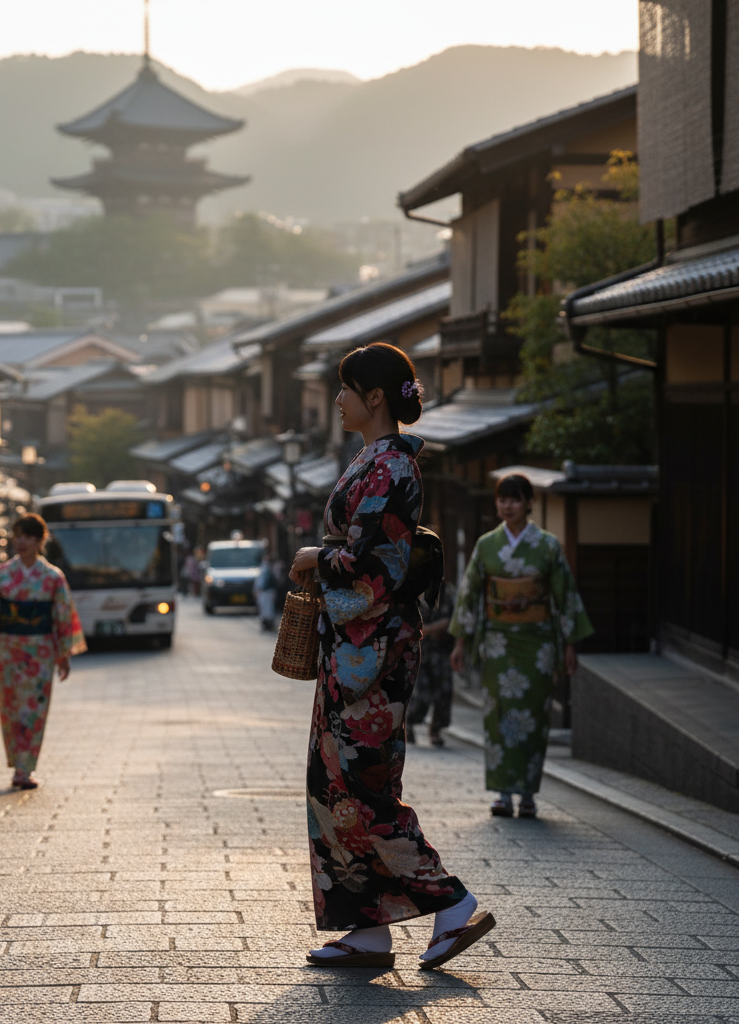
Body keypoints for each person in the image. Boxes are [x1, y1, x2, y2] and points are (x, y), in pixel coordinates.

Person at [290, 342, 494, 970]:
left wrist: (316, 560)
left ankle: (452, 902)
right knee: (334, 780)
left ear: (374, 398)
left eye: (346, 388)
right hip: (358, 648)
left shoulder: (388, 468)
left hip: (372, 652)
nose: (339, 399)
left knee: (361, 784)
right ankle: (368, 927)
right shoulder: (377, 461)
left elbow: (380, 562)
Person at [449, 473, 594, 819]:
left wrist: (569, 644)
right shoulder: (486, 545)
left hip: (538, 643)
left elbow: (565, 596)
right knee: (498, 715)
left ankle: (527, 793)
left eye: (514, 499)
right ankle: (503, 794)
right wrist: (460, 642)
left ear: (530, 503)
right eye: (502, 498)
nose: (507, 505)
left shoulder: (548, 546)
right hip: (499, 642)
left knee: (533, 715)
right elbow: (470, 594)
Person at [0, 513, 87, 789]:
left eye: (29, 536)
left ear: (41, 541)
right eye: (18, 536)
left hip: (40, 651)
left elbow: (62, 616)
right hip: (8, 649)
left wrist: (64, 654)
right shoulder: (2, 574)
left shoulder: (52, 576)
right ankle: (17, 762)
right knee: (11, 707)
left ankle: (25, 768)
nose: (22, 542)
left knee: (35, 709)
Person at [407, 583, 455, 747]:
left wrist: (430, 629)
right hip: (420, 651)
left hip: (442, 652)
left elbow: (452, 621)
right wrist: (429, 629)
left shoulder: (448, 592)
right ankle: (408, 725)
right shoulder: (416, 589)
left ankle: (435, 729)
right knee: (420, 694)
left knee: (443, 692)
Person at [253, 551, 277, 632]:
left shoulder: (271, 570)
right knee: (263, 608)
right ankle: (264, 623)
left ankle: (269, 624)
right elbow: (258, 582)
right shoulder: (261, 569)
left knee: (269, 609)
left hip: (269, 591)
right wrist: (256, 590)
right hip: (262, 591)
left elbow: (273, 583)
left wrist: (274, 592)